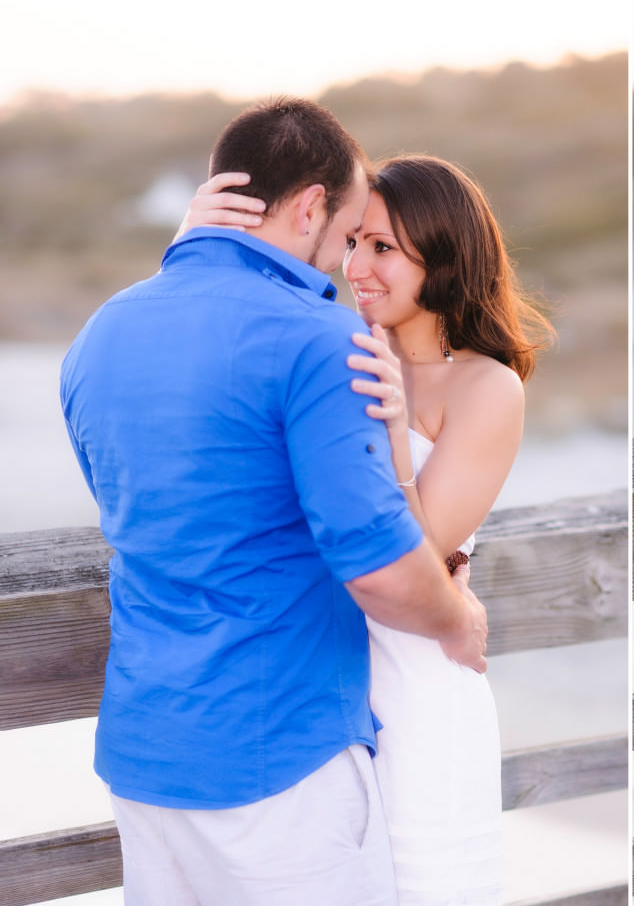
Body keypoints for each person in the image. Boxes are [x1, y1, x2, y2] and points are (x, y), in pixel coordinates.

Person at [60, 98, 487, 906]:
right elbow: (382, 571)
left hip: (145, 753)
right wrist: (456, 619)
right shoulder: (321, 340)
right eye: (350, 226)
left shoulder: (101, 333)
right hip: (278, 754)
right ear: (308, 206)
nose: (346, 259)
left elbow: (156, 515)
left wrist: (190, 249)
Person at [184, 153, 553, 904]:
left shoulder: (486, 385)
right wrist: (194, 236)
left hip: (416, 692)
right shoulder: (324, 351)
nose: (358, 265)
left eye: (384, 247)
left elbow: (417, 554)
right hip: (312, 695)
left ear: (443, 256)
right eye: (354, 241)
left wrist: (391, 430)